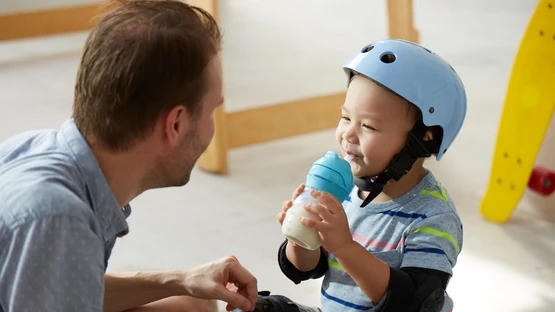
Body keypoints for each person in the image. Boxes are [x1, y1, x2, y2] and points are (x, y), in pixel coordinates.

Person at [0, 1, 259, 311]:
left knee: (192, 303)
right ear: (175, 124)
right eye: (212, 110)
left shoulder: (33, 148)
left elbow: (62, 287)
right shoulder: (59, 220)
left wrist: (181, 279)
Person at [240, 39, 467, 312]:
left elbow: (414, 301)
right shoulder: (345, 190)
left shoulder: (433, 216)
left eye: (368, 125)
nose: (347, 134)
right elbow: (306, 269)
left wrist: (345, 246)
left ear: (423, 139)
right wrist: (302, 236)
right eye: (346, 118)